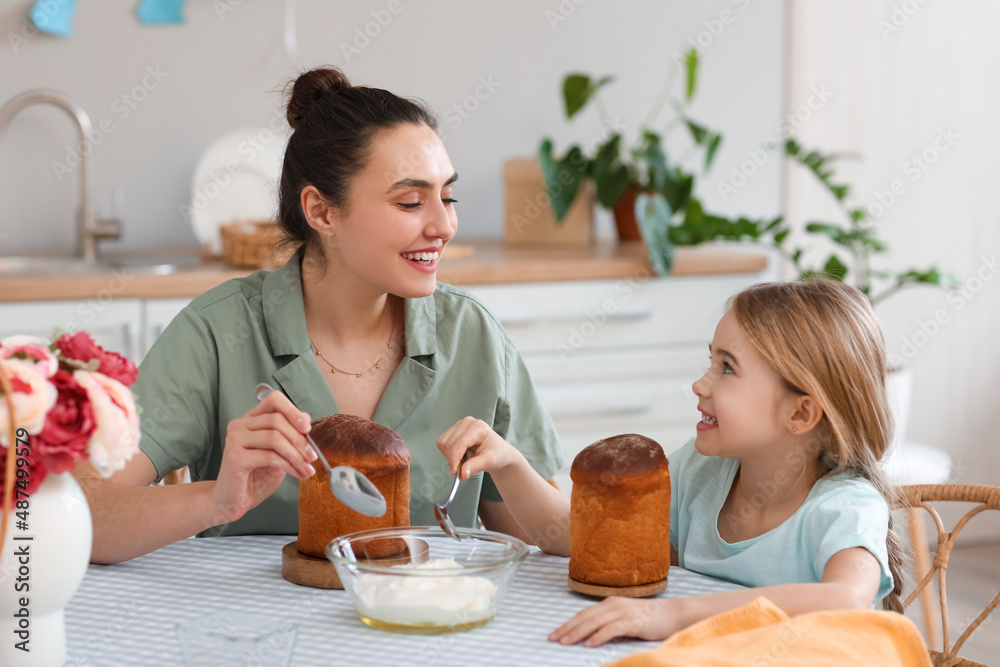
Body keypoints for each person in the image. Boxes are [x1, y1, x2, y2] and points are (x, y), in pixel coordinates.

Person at [73, 67, 568, 564]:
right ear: (322, 212)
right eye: (412, 201)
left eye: (448, 196)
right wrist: (215, 501)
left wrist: (509, 465)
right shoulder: (217, 331)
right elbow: (82, 518)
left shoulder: (473, 333)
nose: (444, 225)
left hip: (423, 624)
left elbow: (556, 536)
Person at [443, 279, 906, 647]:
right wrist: (507, 463)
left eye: (727, 368)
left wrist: (670, 613)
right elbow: (583, 538)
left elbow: (843, 599)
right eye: (710, 361)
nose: (700, 385)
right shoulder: (699, 474)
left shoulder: (845, 506)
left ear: (800, 413)